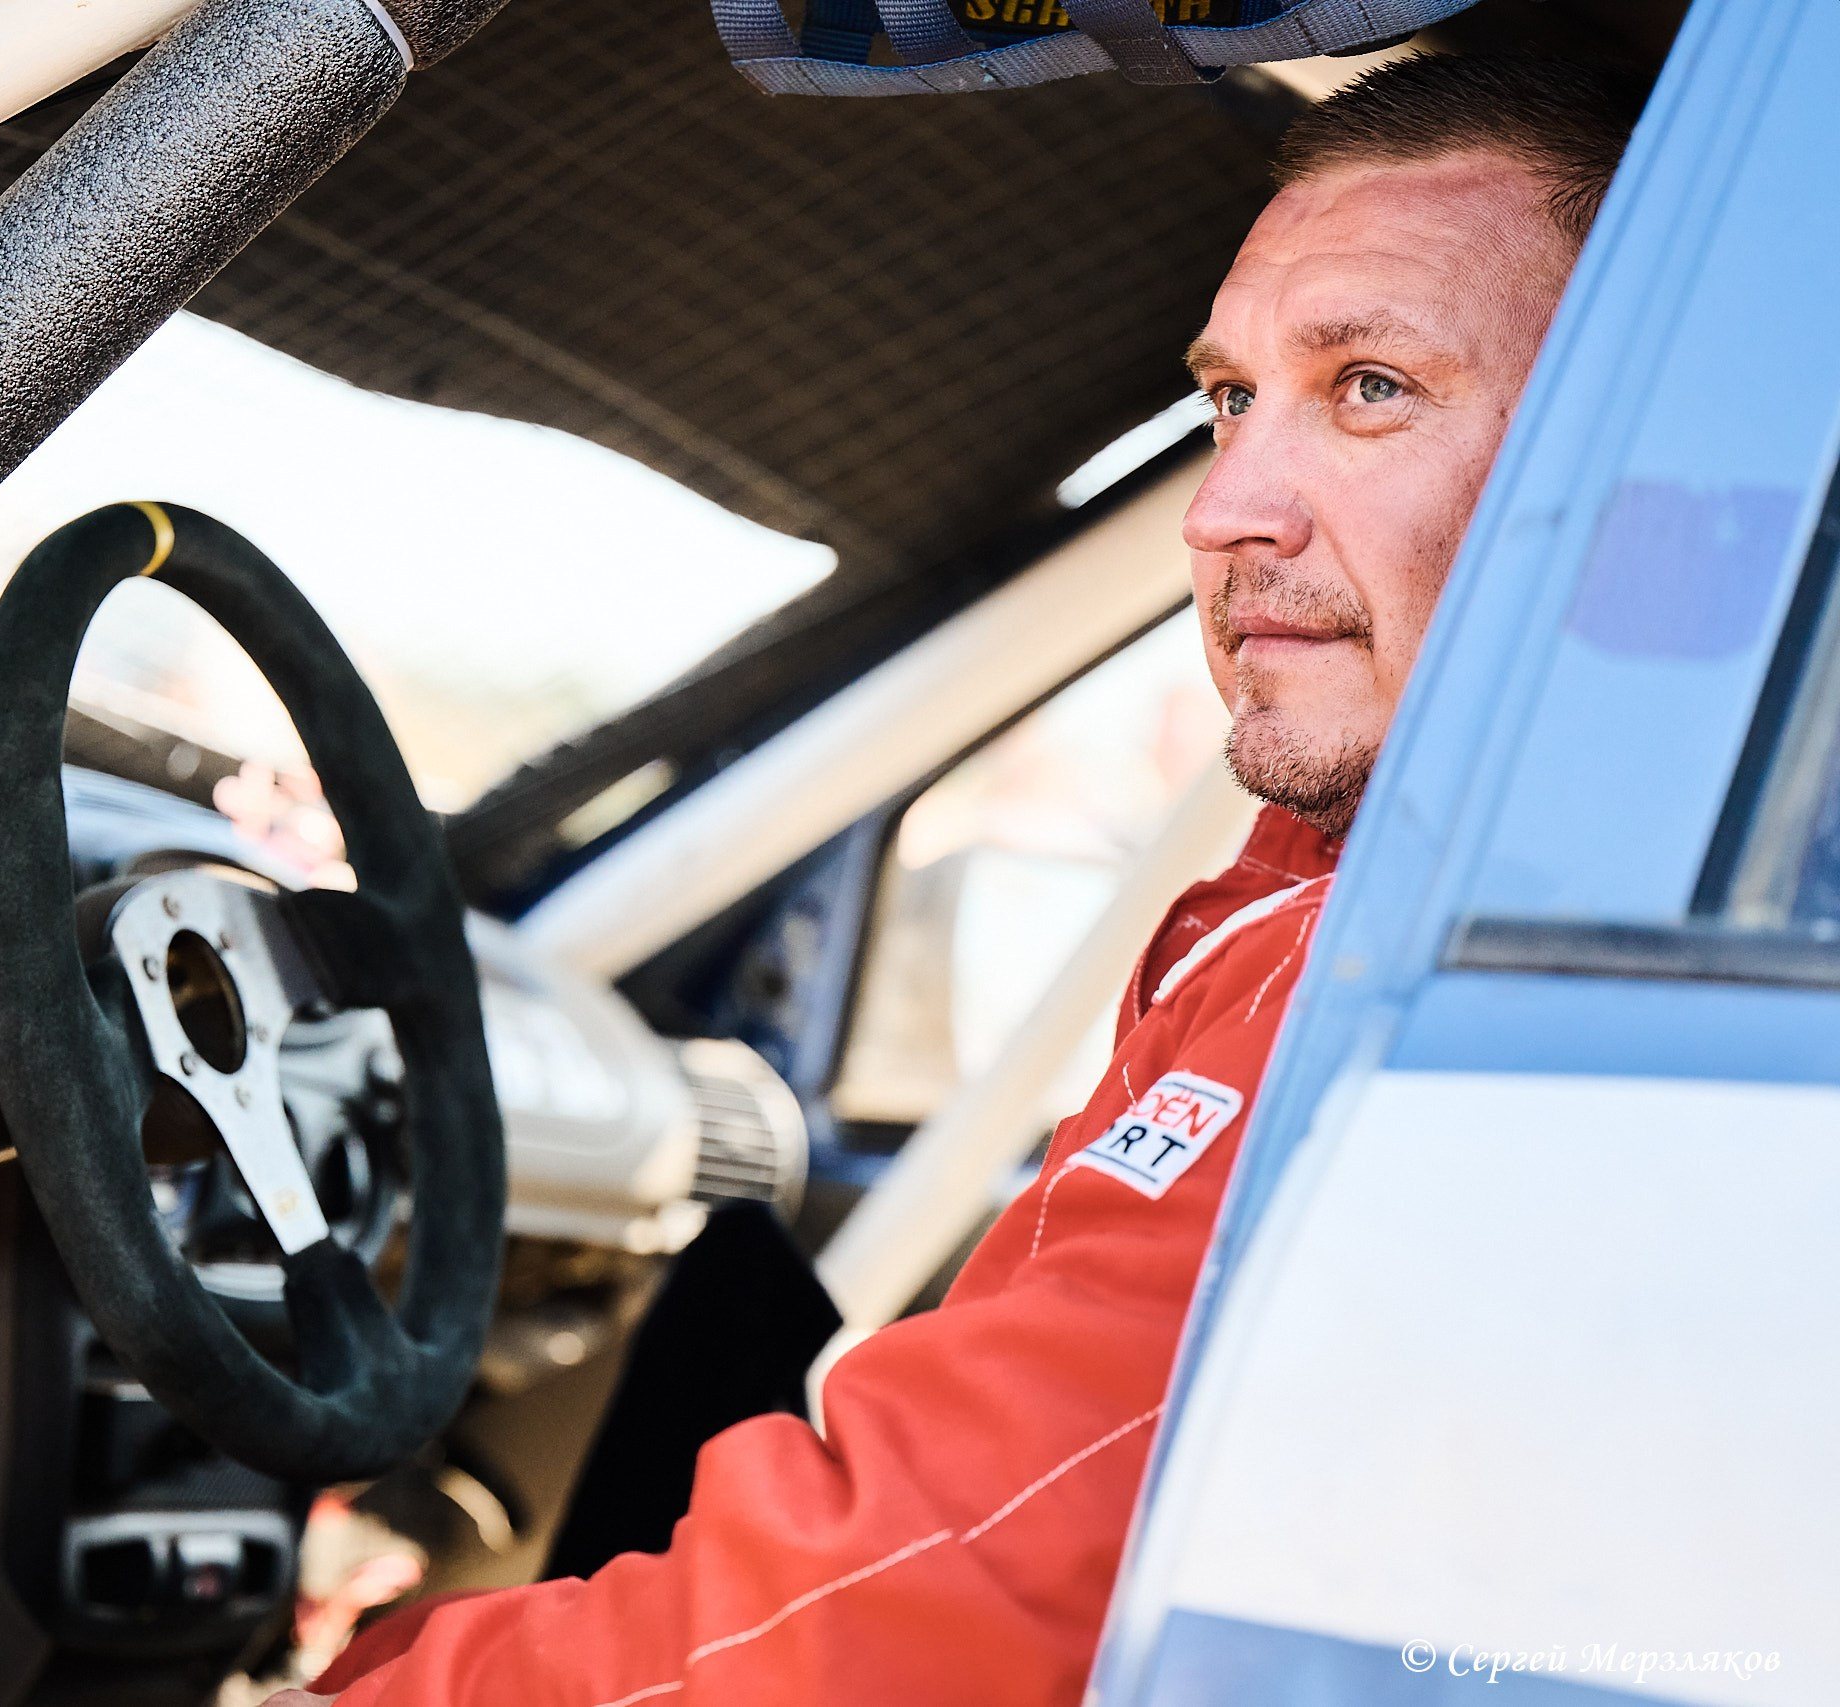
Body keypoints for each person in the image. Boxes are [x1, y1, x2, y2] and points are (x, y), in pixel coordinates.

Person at [279, 54, 1647, 1707]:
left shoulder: (1456, 979)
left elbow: (901, 1617)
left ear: (1645, 461)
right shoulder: (1328, 890)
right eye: (1231, 399)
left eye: (1369, 386)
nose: (1224, 509)